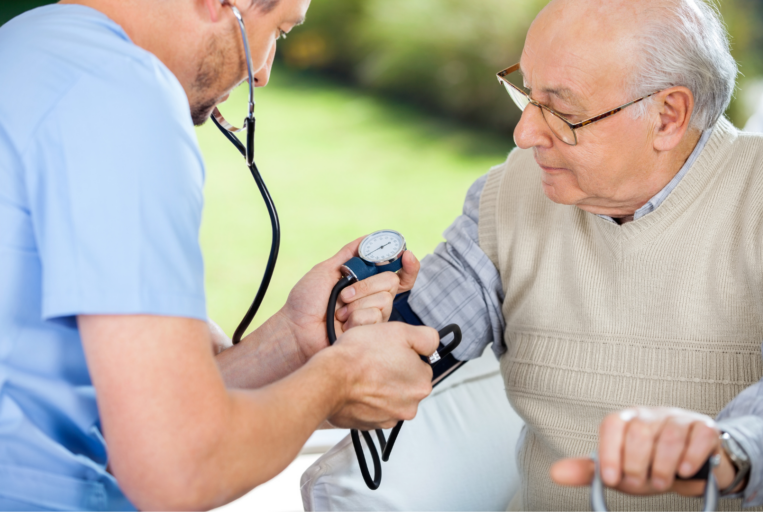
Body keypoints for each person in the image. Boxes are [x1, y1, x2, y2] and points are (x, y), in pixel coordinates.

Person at [0, 0, 441, 510]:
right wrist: (340, 379)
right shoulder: (126, 96)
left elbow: (144, 414)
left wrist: (295, 339)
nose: (263, 70)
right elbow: (179, 467)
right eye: (278, 30)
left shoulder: (26, 44)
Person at [393, 0, 763, 509]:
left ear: (667, 116)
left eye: (563, 112)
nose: (524, 134)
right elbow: (409, 345)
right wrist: (364, 330)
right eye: (526, 92)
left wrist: (725, 451)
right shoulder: (511, 195)